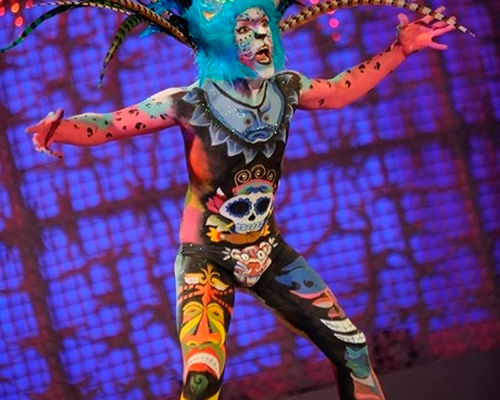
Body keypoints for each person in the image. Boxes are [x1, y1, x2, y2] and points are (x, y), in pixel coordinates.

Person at [11, 0, 464, 398]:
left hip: (269, 253)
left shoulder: (286, 89)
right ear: (218, 40)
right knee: (202, 378)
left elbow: (340, 91)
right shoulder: (189, 103)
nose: (260, 35)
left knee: (353, 350)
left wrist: (400, 48)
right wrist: (60, 130)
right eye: (244, 28)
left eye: (262, 24)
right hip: (206, 258)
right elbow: (112, 124)